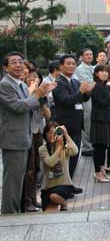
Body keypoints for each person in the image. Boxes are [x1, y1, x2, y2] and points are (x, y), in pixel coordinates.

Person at [0, 51, 55, 214]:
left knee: (19, 180)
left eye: (20, 62)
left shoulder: (22, 84)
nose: (18, 65)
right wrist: (36, 95)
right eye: (14, 62)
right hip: (12, 138)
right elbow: (19, 107)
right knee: (12, 181)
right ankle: (9, 214)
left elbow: (32, 104)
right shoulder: (5, 85)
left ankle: (15, 212)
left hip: (25, 136)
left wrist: (42, 94)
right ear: (5, 68)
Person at [52, 55, 94, 183]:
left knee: (75, 155)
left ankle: (70, 183)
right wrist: (81, 92)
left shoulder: (75, 81)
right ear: (61, 66)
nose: (71, 66)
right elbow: (66, 100)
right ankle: (62, 186)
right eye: (68, 63)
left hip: (77, 125)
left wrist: (87, 92)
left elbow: (82, 99)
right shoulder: (58, 83)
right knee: (63, 158)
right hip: (64, 126)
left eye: (73, 64)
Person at [23, 66, 51, 212]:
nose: (34, 80)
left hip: (39, 132)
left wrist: (41, 98)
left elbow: (47, 115)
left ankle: (34, 198)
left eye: (36, 78)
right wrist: (33, 94)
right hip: (28, 133)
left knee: (37, 168)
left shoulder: (40, 94)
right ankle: (27, 201)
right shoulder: (24, 93)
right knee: (29, 170)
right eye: (31, 78)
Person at [90, 65, 110, 183]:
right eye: (101, 71)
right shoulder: (96, 86)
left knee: (103, 147)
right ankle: (97, 172)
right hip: (99, 120)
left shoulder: (104, 86)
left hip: (106, 119)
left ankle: (102, 170)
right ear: (96, 73)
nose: (104, 73)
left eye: (106, 71)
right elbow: (101, 103)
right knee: (99, 147)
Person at [39, 122, 78, 211]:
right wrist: (58, 148)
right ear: (45, 134)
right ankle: (59, 203)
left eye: (55, 133)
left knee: (54, 196)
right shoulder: (42, 149)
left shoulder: (65, 146)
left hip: (64, 184)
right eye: (49, 133)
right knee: (48, 214)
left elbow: (75, 151)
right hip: (48, 187)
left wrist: (66, 134)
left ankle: (64, 203)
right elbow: (50, 162)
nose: (52, 135)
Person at [73, 48, 95, 157]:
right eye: (86, 55)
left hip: (93, 97)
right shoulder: (80, 69)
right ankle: (86, 147)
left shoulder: (92, 68)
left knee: (92, 121)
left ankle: (91, 145)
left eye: (91, 54)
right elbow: (88, 84)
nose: (89, 56)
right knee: (87, 121)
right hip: (86, 98)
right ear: (81, 57)